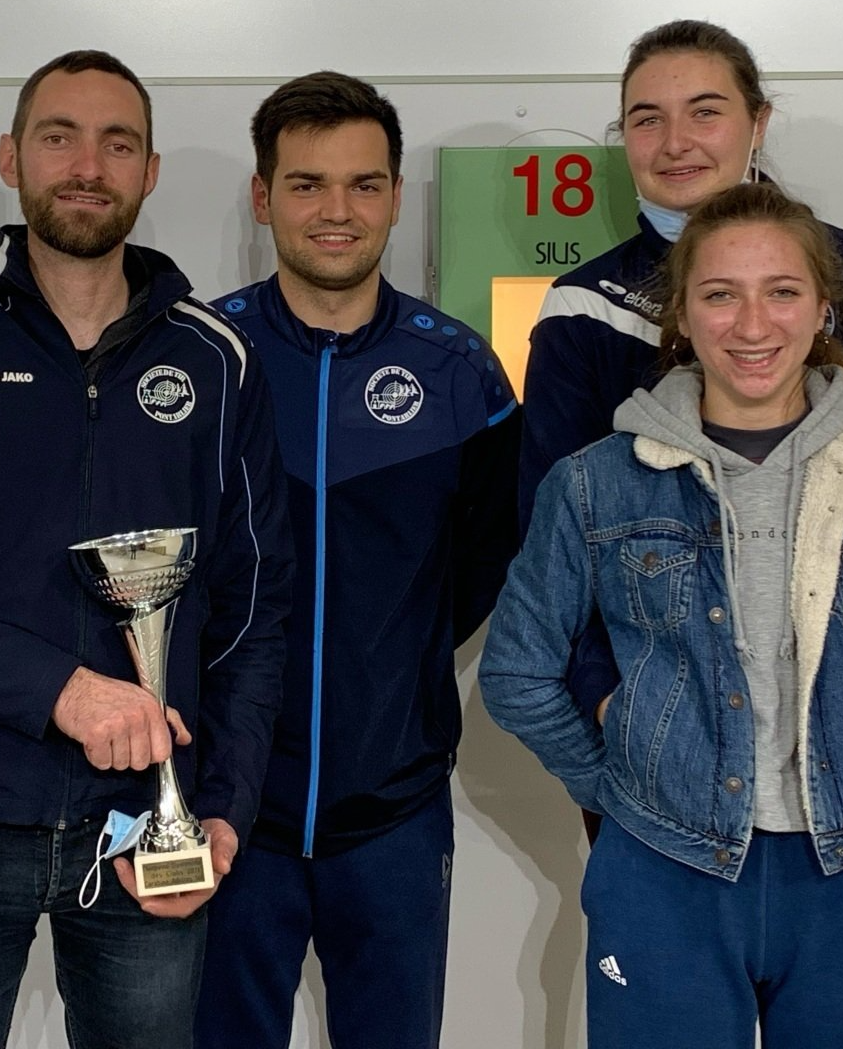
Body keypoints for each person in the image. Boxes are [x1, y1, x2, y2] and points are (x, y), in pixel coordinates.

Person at [480, 182, 843, 1047]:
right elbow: (517, 673)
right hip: (660, 873)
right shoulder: (595, 483)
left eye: (782, 291)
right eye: (721, 294)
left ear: (823, 310)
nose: (753, 324)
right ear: (682, 315)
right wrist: (617, 785)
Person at [0, 49, 292, 1049]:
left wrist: (221, 807)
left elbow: (253, 608)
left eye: (117, 144)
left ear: (149, 172)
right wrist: (61, 692)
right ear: (10, 157)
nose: (87, 165)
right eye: (59, 137)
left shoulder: (217, 358)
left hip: (146, 817)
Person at [520, 20, 843, 777]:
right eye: (647, 119)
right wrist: (607, 703)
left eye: (705, 111)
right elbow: (550, 540)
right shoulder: (584, 306)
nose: (676, 143)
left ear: (758, 122)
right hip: (663, 738)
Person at [197, 71, 518, 1049]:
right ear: (264, 196)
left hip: (394, 810)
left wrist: (397, 674)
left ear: (396, 195)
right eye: (307, 184)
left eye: (363, 184)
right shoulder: (200, 357)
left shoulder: (460, 372)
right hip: (226, 805)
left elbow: (485, 561)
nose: (337, 210)